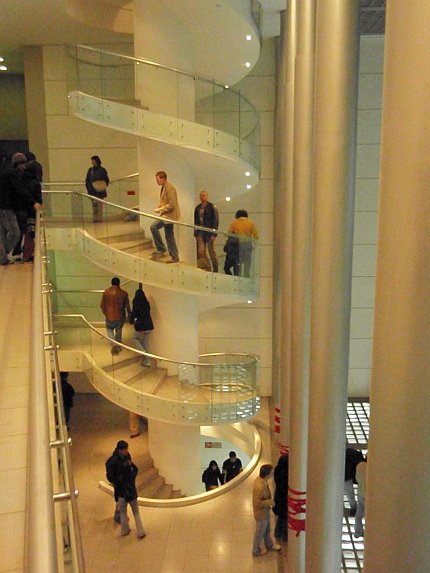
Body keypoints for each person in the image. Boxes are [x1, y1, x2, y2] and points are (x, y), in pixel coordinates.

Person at [105, 440, 146, 538]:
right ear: (121, 450)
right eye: (125, 449)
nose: (127, 451)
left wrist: (115, 483)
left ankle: (125, 530)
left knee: (123, 512)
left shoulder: (112, 461)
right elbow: (135, 470)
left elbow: (110, 476)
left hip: (121, 492)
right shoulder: (126, 468)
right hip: (129, 492)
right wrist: (131, 465)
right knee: (135, 512)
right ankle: (140, 532)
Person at [150, 171, 180, 264]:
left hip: (169, 216)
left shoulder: (170, 188)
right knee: (169, 236)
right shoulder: (164, 187)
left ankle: (162, 248)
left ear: (163, 178)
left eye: (158, 179)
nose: (157, 182)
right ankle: (174, 256)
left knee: (154, 227)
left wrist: (161, 209)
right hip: (166, 215)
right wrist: (160, 207)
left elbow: (172, 204)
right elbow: (165, 201)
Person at [252, 464, 282, 557]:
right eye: (271, 473)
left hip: (265, 512)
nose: (273, 475)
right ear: (267, 474)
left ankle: (269, 545)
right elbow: (257, 503)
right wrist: (269, 502)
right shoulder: (259, 487)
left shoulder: (262, 481)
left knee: (267, 530)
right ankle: (255, 550)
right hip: (261, 514)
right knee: (260, 532)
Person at [100, 277, 131, 354]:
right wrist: (130, 316)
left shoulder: (106, 292)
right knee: (119, 331)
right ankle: (118, 346)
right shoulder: (124, 293)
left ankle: (114, 343)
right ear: (119, 283)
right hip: (120, 316)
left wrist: (106, 313)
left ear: (111, 283)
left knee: (109, 329)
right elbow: (127, 306)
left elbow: (101, 305)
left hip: (109, 316)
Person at [224, 209, 259, 277]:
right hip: (248, 246)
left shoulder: (235, 223)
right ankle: (246, 277)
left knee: (238, 263)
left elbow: (229, 234)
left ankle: (237, 278)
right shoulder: (251, 223)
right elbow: (256, 237)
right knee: (247, 263)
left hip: (238, 246)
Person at [194, 191, 219, 272]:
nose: (202, 197)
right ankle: (207, 267)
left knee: (211, 251)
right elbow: (196, 221)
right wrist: (196, 233)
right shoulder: (197, 208)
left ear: (207, 196)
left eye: (204, 195)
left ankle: (215, 267)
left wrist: (214, 234)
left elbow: (215, 220)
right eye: (201, 195)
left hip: (209, 232)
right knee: (201, 251)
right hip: (200, 232)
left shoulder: (211, 207)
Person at [129, 287, 154, 368]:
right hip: (149, 325)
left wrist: (131, 321)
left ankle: (142, 352)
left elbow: (134, 313)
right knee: (145, 343)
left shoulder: (136, 302)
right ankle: (148, 361)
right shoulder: (147, 302)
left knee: (134, 338)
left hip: (141, 325)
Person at [85, 155, 109, 223]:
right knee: (94, 206)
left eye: (93, 160)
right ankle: (95, 219)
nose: (92, 162)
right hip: (92, 191)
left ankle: (99, 219)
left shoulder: (102, 170)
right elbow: (87, 180)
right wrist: (89, 188)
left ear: (96, 161)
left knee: (99, 206)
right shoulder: (90, 170)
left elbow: (106, 180)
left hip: (100, 191)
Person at [273, 454, 289, 542]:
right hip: (283, 499)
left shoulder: (277, 470)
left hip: (278, 496)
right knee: (284, 517)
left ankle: (277, 532)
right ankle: (284, 536)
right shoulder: (286, 474)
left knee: (281, 516)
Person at [345, 447, 365, 515]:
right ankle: (356, 508)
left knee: (349, 492)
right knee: (350, 492)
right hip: (348, 475)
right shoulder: (351, 453)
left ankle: (353, 507)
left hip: (346, 476)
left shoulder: (349, 453)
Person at [354, 455, 367, 539]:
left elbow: (357, 478)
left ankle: (358, 532)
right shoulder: (374, 468)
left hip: (360, 492)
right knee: (369, 514)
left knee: (359, 514)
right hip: (369, 495)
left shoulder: (360, 465)